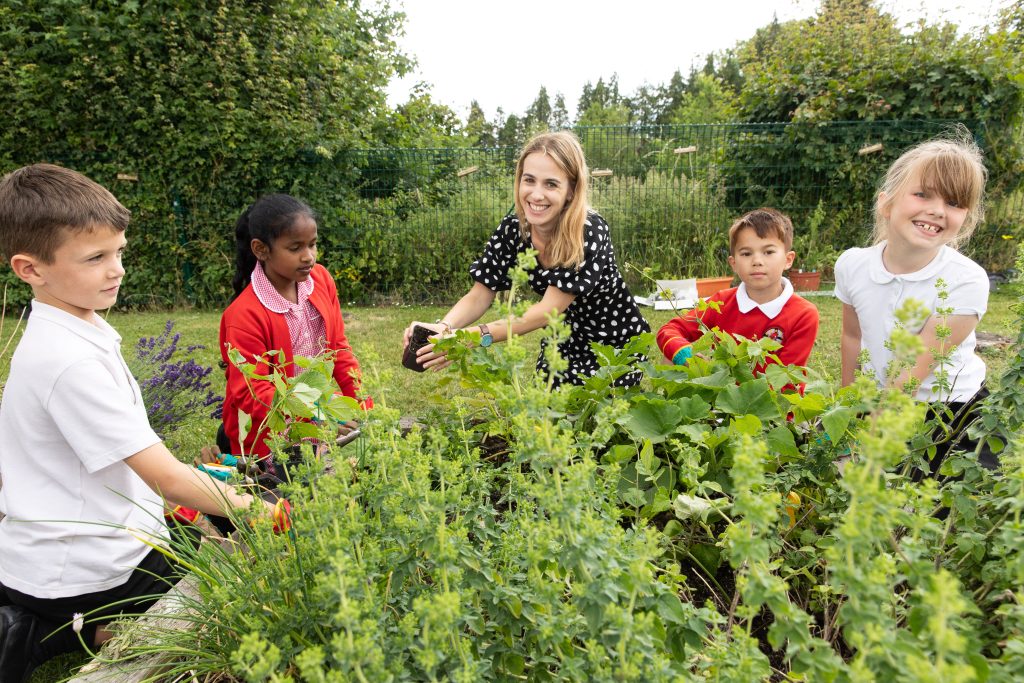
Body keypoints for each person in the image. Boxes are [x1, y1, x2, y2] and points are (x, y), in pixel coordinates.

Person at [0, 164, 277, 681]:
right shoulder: (69, 361)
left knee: (197, 549)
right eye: (95, 258)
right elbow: (167, 478)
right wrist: (260, 510)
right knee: (214, 601)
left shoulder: (75, 325)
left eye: (119, 251)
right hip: (90, 568)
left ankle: (58, 615)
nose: (117, 269)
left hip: (64, 549)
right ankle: (52, 630)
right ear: (30, 269)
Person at [404, 130, 650, 387]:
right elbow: (480, 294)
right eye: (529, 180)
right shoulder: (514, 230)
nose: (536, 194)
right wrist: (444, 327)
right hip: (561, 341)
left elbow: (545, 312)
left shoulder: (588, 230)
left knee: (594, 423)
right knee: (544, 420)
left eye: (551, 184)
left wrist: (469, 338)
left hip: (615, 346)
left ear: (571, 190)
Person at [834, 132, 995, 474]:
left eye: (954, 203)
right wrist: (849, 413)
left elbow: (911, 373)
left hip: (950, 412)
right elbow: (852, 337)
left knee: (936, 505)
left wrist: (868, 446)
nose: (937, 211)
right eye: (922, 194)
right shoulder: (852, 265)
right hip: (879, 398)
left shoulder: (966, 279)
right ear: (886, 202)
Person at [219, 193, 369, 464]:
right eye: (295, 248)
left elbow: (338, 349)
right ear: (261, 249)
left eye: (312, 245)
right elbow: (253, 394)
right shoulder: (243, 315)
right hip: (267, 438)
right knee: (289, 497)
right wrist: (319, 414)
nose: (308, 257)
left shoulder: (321, 280)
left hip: (313, 424)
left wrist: (363, 404)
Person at [656, 208, 819, 376]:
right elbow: (668, 330)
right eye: (747, 253)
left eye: (768, 252)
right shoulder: (720, 302)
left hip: (770, 398)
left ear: (788, 259)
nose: (757, 261)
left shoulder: (804, 314)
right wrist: (685, 354)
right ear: (733, 263)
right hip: (714, 391)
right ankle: (669, 399)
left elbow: (787, 383)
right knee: (672, 354)